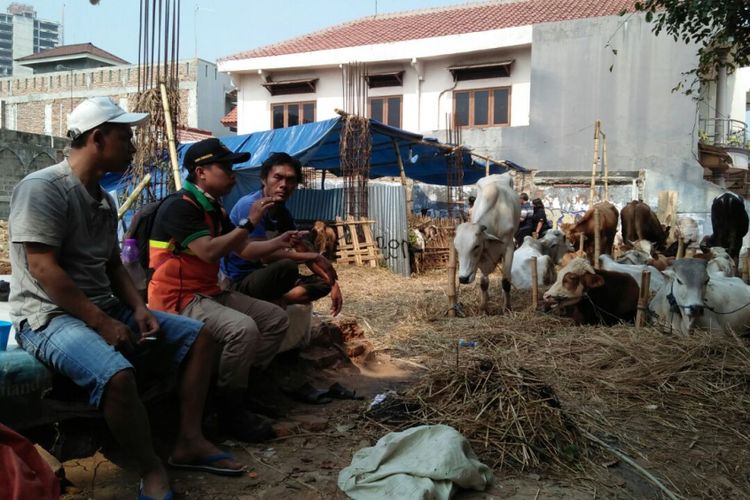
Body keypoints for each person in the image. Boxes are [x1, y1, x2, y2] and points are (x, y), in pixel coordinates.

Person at [9, 97, 243, 500]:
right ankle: (151, 469)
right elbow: (44, 270)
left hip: (102, 306)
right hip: (47, 316)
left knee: (200, 337)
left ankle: (188, 439)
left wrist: (137, 307)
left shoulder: (103, 198)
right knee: (117, 376)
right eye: (126, 137)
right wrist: (102, 322)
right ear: (98, 139)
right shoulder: (42, 189)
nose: (133, 147)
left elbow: (114, 264)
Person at [148, 138, 299, 443]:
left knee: (274, 319)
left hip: (207, 291)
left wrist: (281, 242)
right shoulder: (180, 206)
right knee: (242, 329)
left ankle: (239, 391)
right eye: (226, 167)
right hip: (177, 299)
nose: (232, 174)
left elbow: (242, 248)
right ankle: (228, 411)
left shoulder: (213, 207)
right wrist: (250, 221)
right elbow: (208, 252)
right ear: (201, 171)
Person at [221, 152, 343, 316]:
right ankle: (261, 301)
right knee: (287, 266)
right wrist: (312, 257)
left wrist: (333, 283)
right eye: (277, 178)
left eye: (290, 179)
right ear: (264, 179)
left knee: (323, 283)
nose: (284, 184)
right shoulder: (251, 206)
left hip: (268, 277)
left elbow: (302, 248)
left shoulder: (282, 212)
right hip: (241, 280)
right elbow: (263, 256)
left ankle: (281, 299)